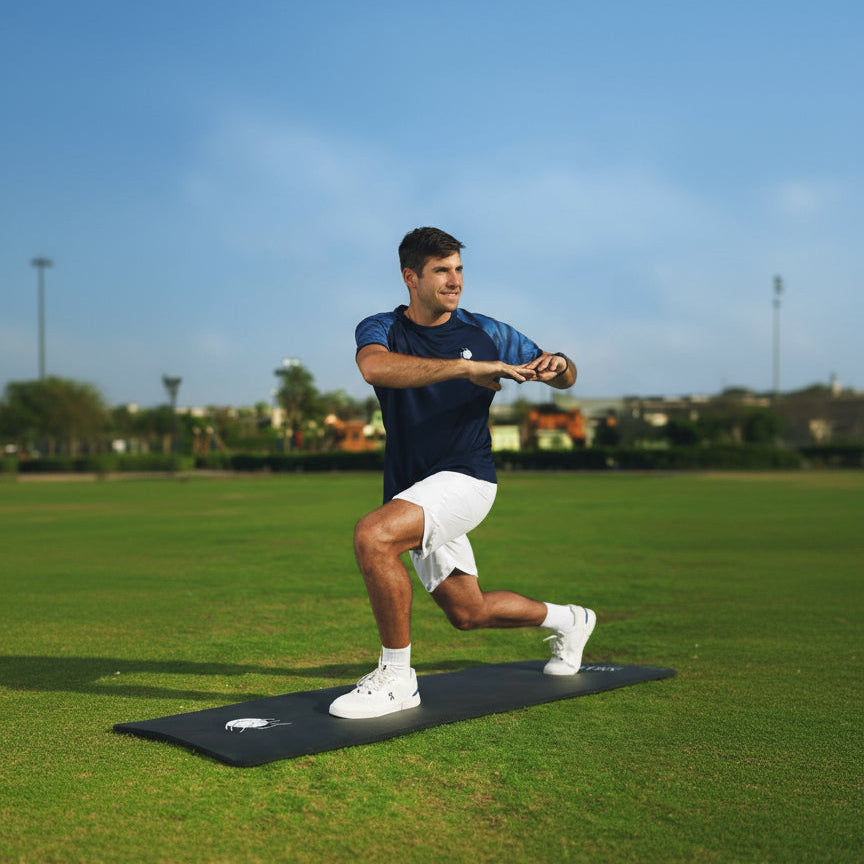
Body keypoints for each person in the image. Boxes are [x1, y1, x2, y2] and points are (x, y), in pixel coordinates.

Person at [329, 227, 595, 720]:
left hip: (467, 479)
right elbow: (375, 369)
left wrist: (559, 365)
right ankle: (570, 620)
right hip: (413, 488)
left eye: (458, 270)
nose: (454, 281)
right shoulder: (381, 328)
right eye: (441, 271)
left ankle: (397, 679)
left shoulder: (487, 332)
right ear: (410, 278)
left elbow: (566, 376)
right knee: (468, 612)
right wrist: (466, 369)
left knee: (374, 537)